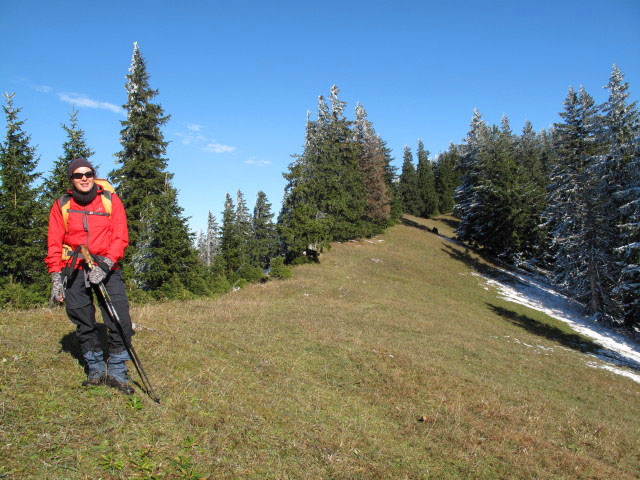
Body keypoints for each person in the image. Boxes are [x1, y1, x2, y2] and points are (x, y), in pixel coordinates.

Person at [46, 158, 135, 395]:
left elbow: (120, 235)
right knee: (82, 319)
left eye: (88, 173)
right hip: (74, 268)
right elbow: (54, 242)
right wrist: (56, 276)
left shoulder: (109, 200)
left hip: (107, 267)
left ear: (94, 176)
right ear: (71, 180)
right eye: (78, 175)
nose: (84, 178)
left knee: (119, 318)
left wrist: (105, 264)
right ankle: (95, 368)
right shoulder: (62, 205)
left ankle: (117, 369)